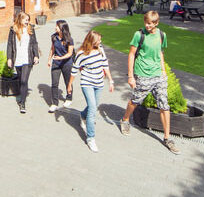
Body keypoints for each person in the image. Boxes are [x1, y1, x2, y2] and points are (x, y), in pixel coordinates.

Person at [117, 11, 180, 154]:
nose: (147, 25)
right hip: (143, 74)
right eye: (145, 22)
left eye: (150, 24)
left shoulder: (162, 35)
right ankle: (125, 119)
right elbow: (132, 54)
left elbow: (160, 53)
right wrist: (131, 76)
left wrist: (164, 71)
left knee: (164, 105)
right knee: (135, 100)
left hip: (158, 75)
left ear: (156, 23)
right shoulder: (139, 35)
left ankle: (167, 138)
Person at [66, 30, 114, 152]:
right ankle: (90, 138)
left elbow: (105, 63)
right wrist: (70, 84)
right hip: (87, 83)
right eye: (98, 40)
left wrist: (110, 80)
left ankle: (82, 115)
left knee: (93, 106)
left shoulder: (100, 49)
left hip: (99, 83)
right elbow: (74, 69)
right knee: (93, 110)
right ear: (92, 41)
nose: (100, 42)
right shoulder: (81, 54)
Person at [6, 11, 39, 114]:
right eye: (26, 20)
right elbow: (10, 44)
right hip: (18, 58)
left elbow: (34, 43)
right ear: (20, 19)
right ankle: (22, 94)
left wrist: (36, 55)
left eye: (28, 20)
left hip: (28, 58)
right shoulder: (13, 30)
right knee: (21, 80)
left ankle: (23, 103)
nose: (27, 22)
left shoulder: (31, 29)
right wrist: (9, 58)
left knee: (24, 80)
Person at [47, 20, 75, 112]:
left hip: (67, 63)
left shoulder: (69, 39)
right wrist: (49, 59)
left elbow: (70, 53)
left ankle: (69, 98)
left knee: (68, 82)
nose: (55, 28)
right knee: (54, 83)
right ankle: (54, 103)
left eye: (57, 26)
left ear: (62, 28)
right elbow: (52, 49)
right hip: (56, 63)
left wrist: (61, 58)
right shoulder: (54, 37)